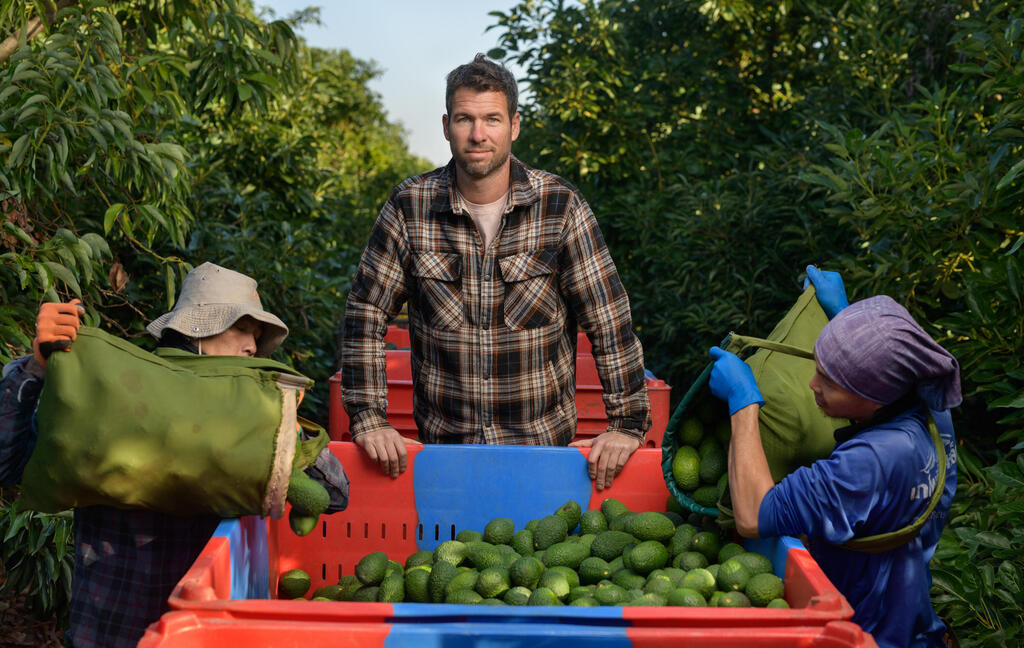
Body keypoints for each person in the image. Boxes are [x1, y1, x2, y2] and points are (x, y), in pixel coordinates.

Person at [340, 53, 650, 489]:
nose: (478, 134)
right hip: (445, 455)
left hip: (543, 455)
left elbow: (609, 320)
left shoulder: (560, 206)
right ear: (447, 126)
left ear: (515, 126)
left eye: (492, 119)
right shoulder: (409, 207)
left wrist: (626, 423)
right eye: (465, 119)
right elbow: (366, 315)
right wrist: (369, 417)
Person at [0, 262, 348, 648]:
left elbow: (333, 495)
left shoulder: (253, 424)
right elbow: (6, 463)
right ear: (196, 328)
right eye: (242, 328)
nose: (252, 345)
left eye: (257, 335)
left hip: (200, 633)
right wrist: (35, 367)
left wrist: (286, 430)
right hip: (112, 633)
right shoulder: (112, 397)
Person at [707, 265, 958, 648]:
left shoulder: (871, 461)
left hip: (866, 635)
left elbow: (752, 515)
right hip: (915, 623)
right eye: (818, 369)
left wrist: (744, 403)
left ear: (871, 395)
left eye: (829, 380)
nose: (813, 385)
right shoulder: (930, 408)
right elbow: (877, 365)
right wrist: (847, 317)